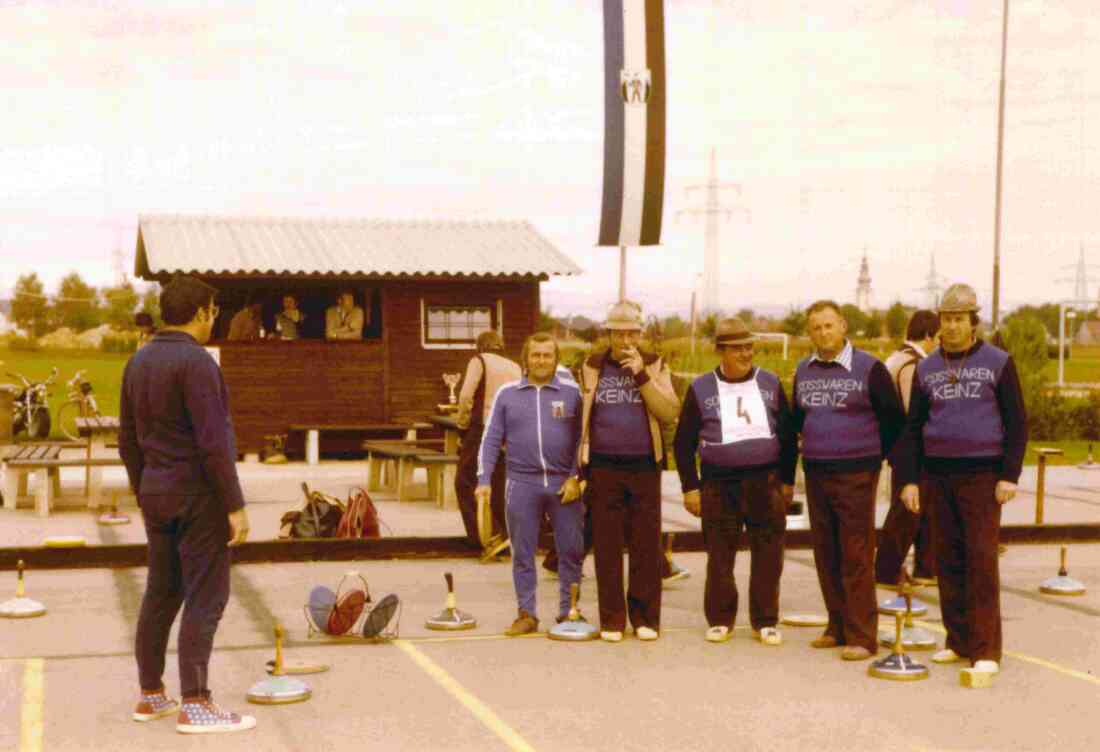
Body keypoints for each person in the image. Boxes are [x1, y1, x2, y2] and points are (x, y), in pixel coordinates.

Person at [118, 275, 255, 734]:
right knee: (207, 595)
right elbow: (214, 441)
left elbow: (127, 440)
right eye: (213, 312)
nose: (214, 319)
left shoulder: (137, 361)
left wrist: (145, 490)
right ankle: (195, 703)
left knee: (161, 592)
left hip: (156, 491)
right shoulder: (197, 363)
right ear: (200, 313)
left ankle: (151, 695)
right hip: (197, 496)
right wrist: (234, 505)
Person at [896, 283, 1028, 678]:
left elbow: (1017, 422)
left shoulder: (998, 362)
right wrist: (909, 480)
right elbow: (913, 429)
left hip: (983, 474)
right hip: (937, 473)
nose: (951, 327)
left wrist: (1009, 474)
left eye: (959, 319)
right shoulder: (926, 368)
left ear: (973, 322)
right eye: (946, 319)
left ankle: (985, 648)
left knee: (981, 560)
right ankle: (958, 640)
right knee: (946, 559)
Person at [791, 300, 905, 661]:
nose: (823, 333)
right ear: (809, 333)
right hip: (817, 471)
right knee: (826, 551)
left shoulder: (870, 368)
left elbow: (894, 422)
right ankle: (836, 625)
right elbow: (797, 420)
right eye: (816, 328)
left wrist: (871, 457)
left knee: (855, 553)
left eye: (829, 325)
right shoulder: (803, 370)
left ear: (843, 326)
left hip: (856, 472)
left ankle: (862, 635)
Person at [674, 318, 797, 645]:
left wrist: (787, 481)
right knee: (719, 554)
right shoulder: (700, 387)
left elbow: (786, 436)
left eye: (749, 346)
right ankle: (720, 619)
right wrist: (690, 486)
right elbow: (682, 443)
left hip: (764, 479)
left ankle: (765, 619)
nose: (745, 353)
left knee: (769, 553)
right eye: (737, 348)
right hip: (718, 483)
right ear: (720, 351)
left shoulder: (769, 382)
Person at [577, 300, 679, 642]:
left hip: (644, 465)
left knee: (646, 546)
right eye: (617, 333)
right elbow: (583, 414)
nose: (624, 340)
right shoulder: (592, 365)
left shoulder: (654, 364)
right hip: (604, 465)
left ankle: (645, 618)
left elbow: (668, 412)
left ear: (640, 334)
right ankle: (612, 619)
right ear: (607, 334)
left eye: (631, 333)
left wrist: (640, 374)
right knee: (606, 546)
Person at [476, 332, 584, 636]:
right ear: (526, 358)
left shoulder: (572, 393)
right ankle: (526, 613)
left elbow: (583, 439)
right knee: (522, 553)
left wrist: (576, 476)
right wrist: (484, 479)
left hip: (565, 484)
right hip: (522, 483)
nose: (541, 360)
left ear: (556, 359)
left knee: (571, 550)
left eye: (547, 355)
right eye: (535, 355)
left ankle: (569, 612)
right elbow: (491, 438)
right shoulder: (507, 394)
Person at [874, 309, 940, 588]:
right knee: (907, 512)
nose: (939, 343)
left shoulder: (897, 357)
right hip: (910, 448)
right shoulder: (912, 364)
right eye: (937, 337)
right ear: (927, 336)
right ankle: (887, 571)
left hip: (899, 446)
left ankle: (926, 568)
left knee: (923, 510)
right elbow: (912, 410)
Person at [454, 330, 522, 555]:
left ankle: (481, 537)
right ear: (500, 346)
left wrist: (462, 425)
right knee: (499, 482)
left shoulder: (479, 361)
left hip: (481, 428)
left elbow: (465, 396)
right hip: (508, 431)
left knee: (465, 481)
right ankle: (504, 534)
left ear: (480, 346)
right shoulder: (515, 367)